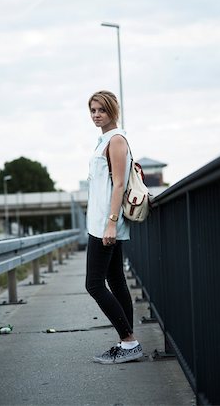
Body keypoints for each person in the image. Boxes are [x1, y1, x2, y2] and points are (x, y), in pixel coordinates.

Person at [85, 90, 143, 364]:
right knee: (116, 279)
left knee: (94, 284)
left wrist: (110, 224)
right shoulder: (102, 141)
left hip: (105, 226)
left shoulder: (117, 140)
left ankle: (129, 341)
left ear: (113, 112)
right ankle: (127, 343)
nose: (96, 115)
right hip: (99, 223)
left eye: (101, 110)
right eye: (93, 110)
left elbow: (119, 184)